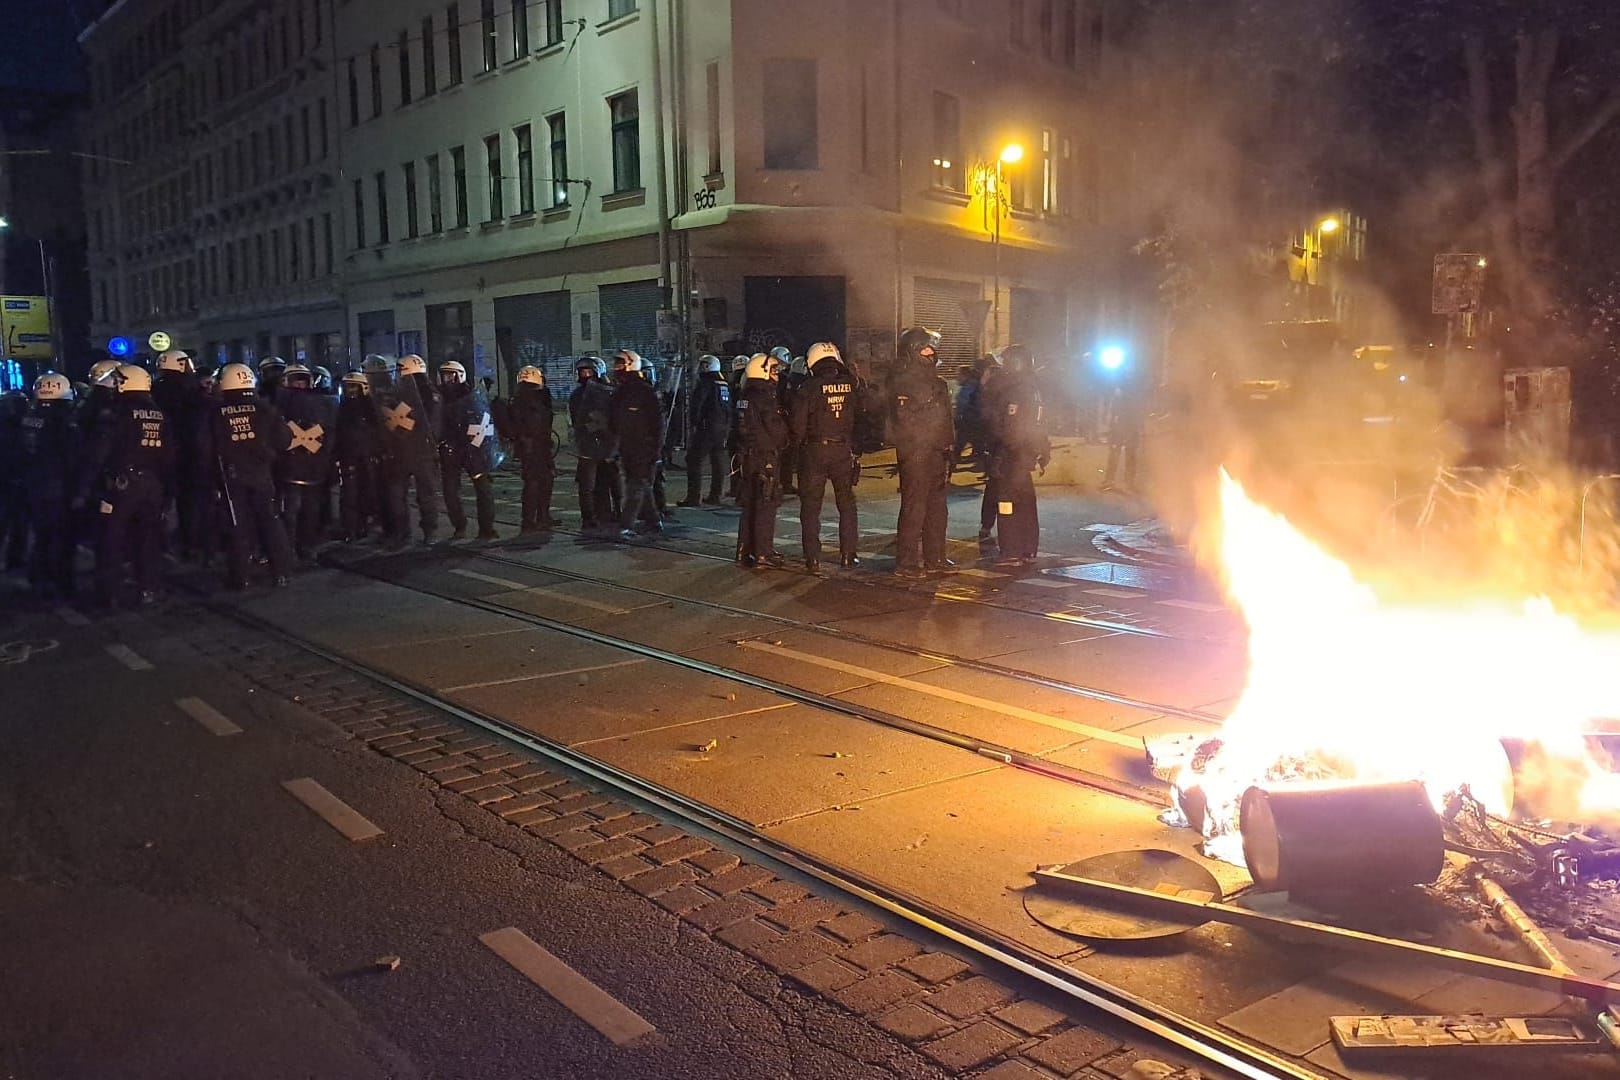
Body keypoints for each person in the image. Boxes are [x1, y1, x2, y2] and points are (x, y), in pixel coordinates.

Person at [83, 364, 175, 607]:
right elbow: (169, 455)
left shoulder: (115, 412)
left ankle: (110, 592)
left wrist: (86, 487)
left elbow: (98, 452)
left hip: (119, 486)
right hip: (152, 484)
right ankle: (149, 588)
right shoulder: (158, 413)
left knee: (111, 539)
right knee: (148, 538)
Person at [200, 363, 294, 589]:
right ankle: (281, 572)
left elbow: (204, 447)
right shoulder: (265, 408)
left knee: (236, 525)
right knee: (270, 521)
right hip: (261, 473)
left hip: (230, 476)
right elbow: (284, 440)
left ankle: (241, 576)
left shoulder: (215, 411)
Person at [888, 326, 955, 580]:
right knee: (915, 507)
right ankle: (906, 562)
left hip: (937, 451)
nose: (931, 352)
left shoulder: (937, 382)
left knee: (938, 507)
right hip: (916, 451)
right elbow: (905, 420)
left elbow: (946, 419)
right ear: (914, 350)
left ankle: (935, 557)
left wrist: (950, 445)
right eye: (926, 347)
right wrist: (926, 438)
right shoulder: (903, 382)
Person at [790, 342, 862, 573]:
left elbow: (798, 425)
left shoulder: (808, 387)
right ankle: (849, 554)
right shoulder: (851, 384)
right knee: (847, 505)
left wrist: (796, 450)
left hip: (815, 451)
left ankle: (812, 558)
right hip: (842, 450)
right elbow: (863, 414)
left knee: (811, 507)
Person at [982, 343, 1050, 564]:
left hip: (1013, 457)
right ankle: (1028, 548)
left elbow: (1012, 428)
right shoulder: (1033, 388)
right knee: (1026, 503)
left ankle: (1010, 550)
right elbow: (1039, 425)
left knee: (1007, 503)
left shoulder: (1016, 391)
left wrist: (1000, 454)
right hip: (1026, 455)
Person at [369, 353, 442, 547]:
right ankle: (421, 532)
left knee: (408, 495)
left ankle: (413, 533)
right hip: (410, 452)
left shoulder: (426, 395)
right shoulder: (403, 394)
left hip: (410, 452)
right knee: (410, 495)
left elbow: (431, 425)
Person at [20, 374, 78, 597]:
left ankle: (38, 576)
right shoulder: (62, 420)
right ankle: (60, 582)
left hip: (33, 484)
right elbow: (70, 457)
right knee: (62, 536)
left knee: (42, 534)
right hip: (57, 487)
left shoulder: (30, 416)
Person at [277, 363, 339, 560]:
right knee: (291, 511)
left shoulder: (322, 404)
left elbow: (328, 435)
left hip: (313, 469)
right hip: (291, 469)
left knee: (310, 512)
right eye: (296, 381)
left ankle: (306, 546)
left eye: (303, 381)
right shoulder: (280, 403)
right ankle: (289, 548)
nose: (300, 385)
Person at [735, 352, 789, 567]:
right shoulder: (764, 397)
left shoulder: (745, 395)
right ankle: (763, 553)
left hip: (747, 456)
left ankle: (743, 550)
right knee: (766, 504)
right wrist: (785, 438)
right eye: (773, 370)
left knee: (749, 504)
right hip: (765, 455)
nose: (776, 375)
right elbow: (775, 428)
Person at [151, 349, 206, 560]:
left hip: (160, 452)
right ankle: (190, 543)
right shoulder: (188, 388)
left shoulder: (156, 389)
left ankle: (163, 544)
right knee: (189, 502)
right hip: (188, 452)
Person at [436, 359, 499, 541]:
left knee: (483, 487)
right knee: (450, 490)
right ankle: (459, 526)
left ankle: (486, 528)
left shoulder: (470, 394)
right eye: (444, 375)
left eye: (450, 374)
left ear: (459, 375)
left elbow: (482, 416)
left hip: (472, 447)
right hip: (450, 448)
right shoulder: (438, 396)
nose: (446, 379)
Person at [609, 350, 663, 540]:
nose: (616, 368)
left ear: (631, 364)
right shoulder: (621, 391)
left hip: (642, 447)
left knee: (636, 484)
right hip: (627, 446)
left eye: (620, 364)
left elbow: (657, 423)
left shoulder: (643, 391)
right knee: (640, 483)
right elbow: (614, 420)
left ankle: (626, 525)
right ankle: (654, 521)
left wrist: (655, 449)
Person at [505, 365, 558, 533]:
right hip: (536, 447)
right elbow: (537, 424)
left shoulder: (519, 397)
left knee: (534, 482)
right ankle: (536, 518)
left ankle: (534, 518)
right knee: (539, 482)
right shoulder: (534, 398)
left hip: (530, 447)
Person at [568, 356, 617, 531]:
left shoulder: (607, 391)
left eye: (589, 371)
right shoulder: (577, 395)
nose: (586, 375)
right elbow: (577, 419)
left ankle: (606, 512)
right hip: (588, 443)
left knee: (608, 480)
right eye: (583, 372)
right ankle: (589, 516)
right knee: (587, 484)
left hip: (604, 442)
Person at [336, 370, 385, 542]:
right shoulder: (342, 407)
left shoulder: (370, 408)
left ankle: (364, 524)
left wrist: (377, 453)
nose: (350, 391)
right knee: (348, 494)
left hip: (367, 457)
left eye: (353, 388)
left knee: (367, 492)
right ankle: (350, 528)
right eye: (347, 387)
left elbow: (378, 432)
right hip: (348, 457)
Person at [680, 354, 731, 506]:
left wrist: (695, 422)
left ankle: (693, 497)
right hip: (722, 427)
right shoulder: (724, 384)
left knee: (693, 459)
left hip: (707, 427)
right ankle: (715, 495)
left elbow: (697, 405)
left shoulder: (706, 383)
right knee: (717, 461)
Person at [971, 354, 1004, 545]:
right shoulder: (987, 392)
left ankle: (987, 525)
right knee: (998, 488)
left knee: (995, 487)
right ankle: (990, 525)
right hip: (995, 445)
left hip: (993, 445)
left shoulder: (986, 390)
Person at [0, 391, 28, 571]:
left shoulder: (21, 426)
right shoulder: (16, 427)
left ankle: (15, 558)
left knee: (18, 522)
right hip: (11, 479)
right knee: (15, 522)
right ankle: (14, 558)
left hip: (13, 479)